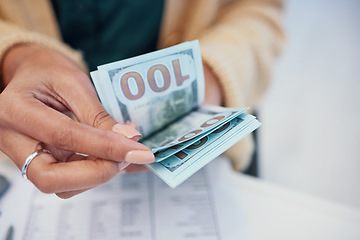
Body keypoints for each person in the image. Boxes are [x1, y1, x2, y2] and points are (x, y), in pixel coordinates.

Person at [0, 0, 284, 198]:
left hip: (210, 136)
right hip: (26, 148)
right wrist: (15, 57)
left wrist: (208, 76)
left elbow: (256, 8)